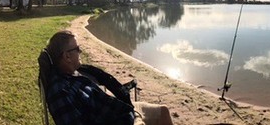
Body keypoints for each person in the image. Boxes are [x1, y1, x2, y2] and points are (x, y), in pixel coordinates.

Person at [44, 30, 173, 125]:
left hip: (122, 110)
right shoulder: (60, 92)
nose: (80, 52)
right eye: (77, 49)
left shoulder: (73, 73)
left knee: (163, 111)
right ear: (67, 57)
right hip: (122, 120)